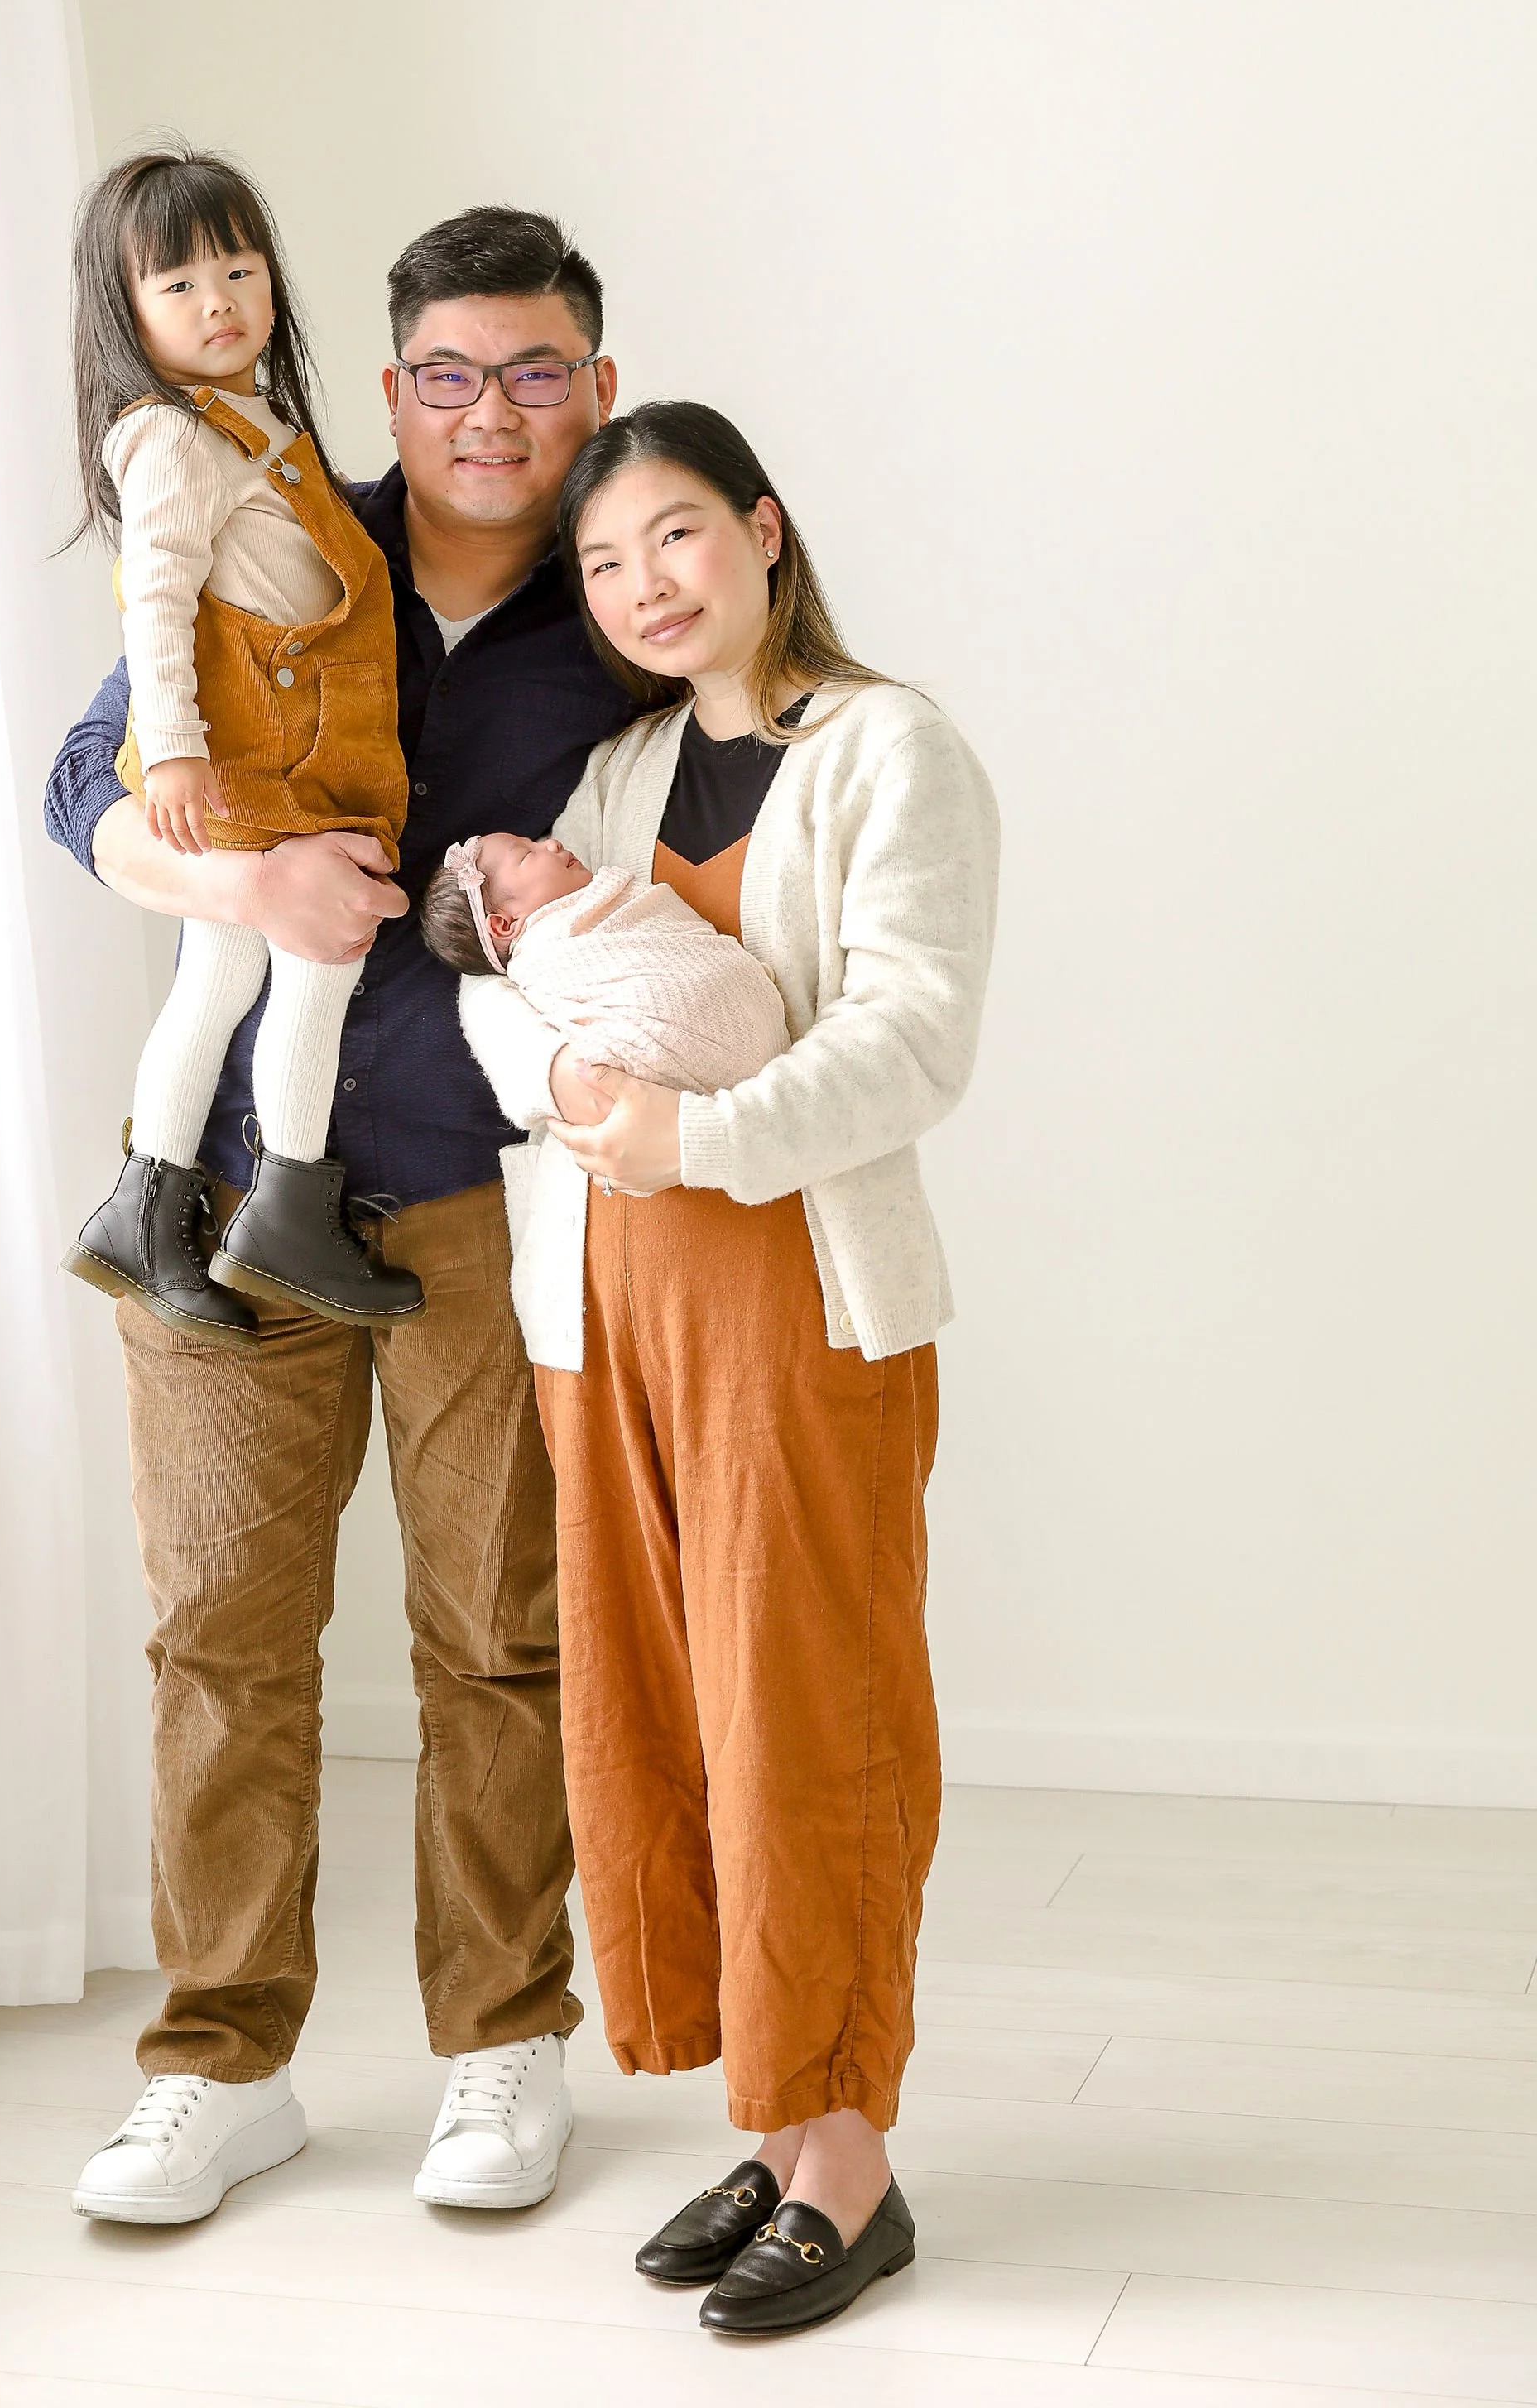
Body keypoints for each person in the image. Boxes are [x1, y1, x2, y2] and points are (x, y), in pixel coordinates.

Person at [43, 208, 634, 2225]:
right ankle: (220, 2068)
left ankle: (501, 2044)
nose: (492, 411)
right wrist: (242, 885)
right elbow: (87, 775)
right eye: (450, 374)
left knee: (499, 1638)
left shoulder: (630, 598)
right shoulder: (277, 516)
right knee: (220, 1637)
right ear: (392, 387)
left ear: (595, 387)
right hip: (218, 1195)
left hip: (483, 1193)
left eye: (534, 370)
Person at [458, 401, 998, 2338]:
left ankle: (850, 2160)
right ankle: (775, 2122)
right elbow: (495, 991)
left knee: (808, 1719)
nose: (645, 585)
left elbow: (912, 1039)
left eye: (675, 535)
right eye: (605, 563)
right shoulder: (612, 775)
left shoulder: (888, 750)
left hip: (797, 1303)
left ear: (763, 530)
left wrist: (690, 1135)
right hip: (601, 1309)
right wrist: (565, 1077)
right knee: (665, 1721)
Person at [61, 144, 422, 1334]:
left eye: (239, 270)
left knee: (219, 975)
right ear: (125, 313)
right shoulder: (169, 436)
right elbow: (156, 596)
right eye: (178, 284)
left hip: (266, 748)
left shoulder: (248, 422)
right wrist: (169, 744)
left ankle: (145, 1207)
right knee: (319, 959)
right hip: (256, 756)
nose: (218, 301)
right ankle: (287, 1213)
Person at [420, 832, 790, 1091]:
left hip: (746, 1039)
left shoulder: (599, 910)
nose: (551, 843)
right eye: (527, 854)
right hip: (661, 1065)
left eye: (534, 841)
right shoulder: (544, 958)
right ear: (505, 924)